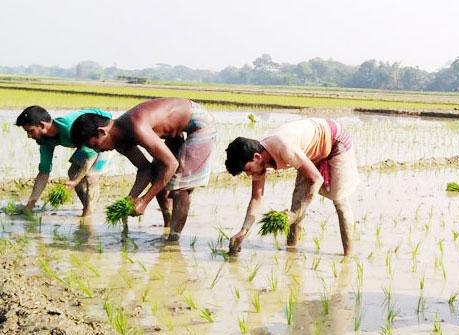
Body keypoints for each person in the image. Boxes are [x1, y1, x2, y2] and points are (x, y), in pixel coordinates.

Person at [71, 98, 216, 240]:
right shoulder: (119, 142)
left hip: (199, 122)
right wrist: (129, 200)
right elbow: (145, 169)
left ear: (102, 132)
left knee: (180, 189)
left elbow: (171, 164)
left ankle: (173, 241)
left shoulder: (136, 126)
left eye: (95, 145)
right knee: (158, 177)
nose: (97, 151)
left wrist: (144, 201)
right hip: (175, 131)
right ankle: (167, 225)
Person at [225, 118, 358, 256]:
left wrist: (295, 214)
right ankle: (291, 252)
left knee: (339, 199)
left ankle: (349, 257)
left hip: (335, 140)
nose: (248, 174)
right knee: (297, 204)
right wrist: (244, 231)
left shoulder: (285, 148)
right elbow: (256, 198)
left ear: (257, 157)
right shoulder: (258, 163)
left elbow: (317, 179)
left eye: (247, 169)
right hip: (309, 153)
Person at [15, 106, 112, 217]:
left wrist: (75, 181)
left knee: (91, 176)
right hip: (87, 142)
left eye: (31, 131)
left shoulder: (69, 128)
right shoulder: (45, 141)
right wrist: (29, 206)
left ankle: (87, 217)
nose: (29, 136)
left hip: (104, 132)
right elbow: (43, 173)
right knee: (73, 173)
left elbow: (91, 155)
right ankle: (87, 209)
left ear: (42, 125)